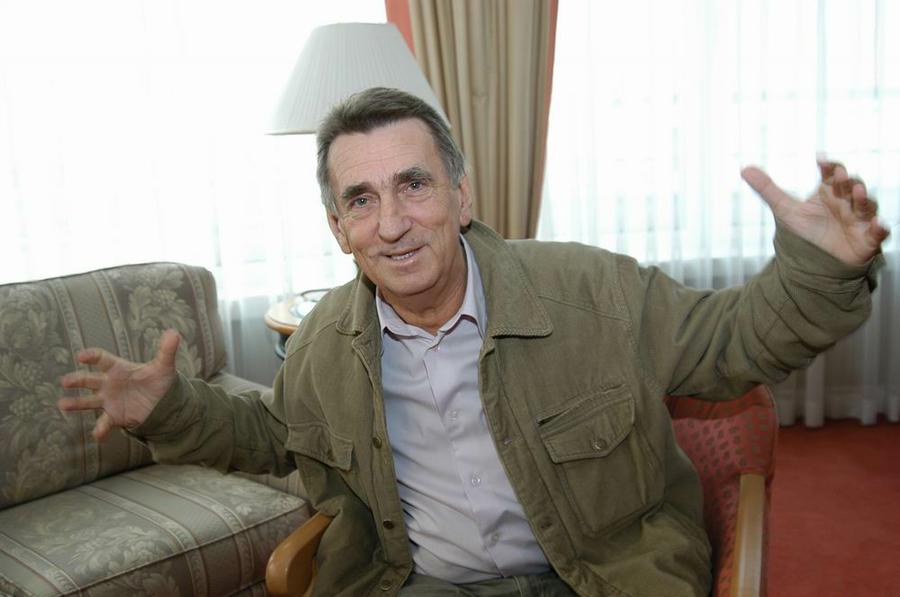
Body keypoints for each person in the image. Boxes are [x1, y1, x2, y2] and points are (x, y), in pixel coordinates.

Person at [59, 87, 888, 596]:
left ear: (461, 196)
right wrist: (171, 408)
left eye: (413, 185)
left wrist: (820, 269)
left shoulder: (594, 292)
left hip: (601, 576)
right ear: (338, 227)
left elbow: (735, 341)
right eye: (361, 199)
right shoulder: (321, 347)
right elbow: (273, 435)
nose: (392, 222)